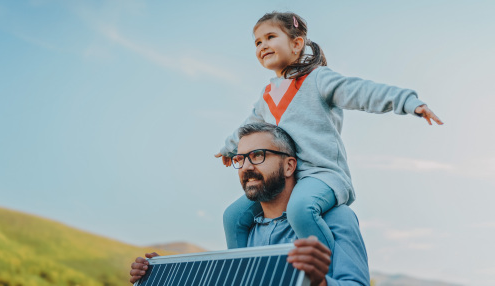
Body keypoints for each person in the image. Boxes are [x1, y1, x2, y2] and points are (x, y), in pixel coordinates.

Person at [215, 11, 443, 250]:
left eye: (270, 37)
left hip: (322, 176)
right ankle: (239, 269)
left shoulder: (318, 80)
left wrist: (406, 101)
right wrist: (229, 148)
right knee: (232, 217)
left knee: (300, 210)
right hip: (286, 179)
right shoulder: (267, 96)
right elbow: (247, 127)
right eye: (258, 42)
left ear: (296, 44)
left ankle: (325, 270)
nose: (263, 45)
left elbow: (361, 92)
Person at [130, 123, 370, 286]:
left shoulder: (336, 217)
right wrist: (162, 274)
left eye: (257, 156)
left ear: (289, 166)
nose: (246, 166)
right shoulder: (246, 233)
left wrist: (319, 282)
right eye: (240, 159)